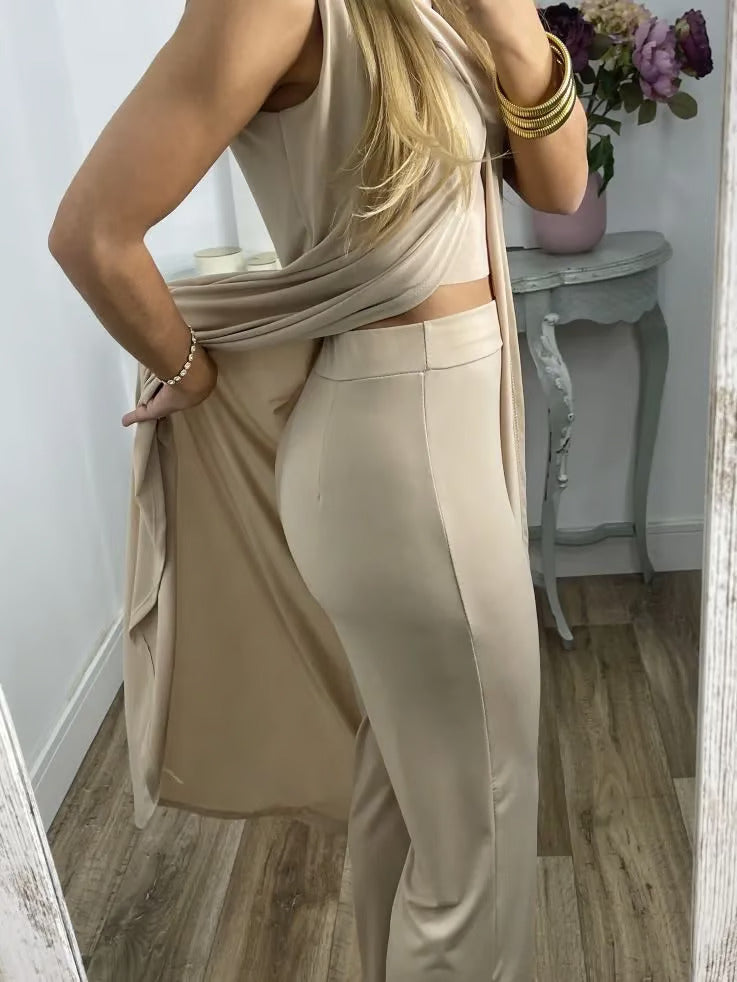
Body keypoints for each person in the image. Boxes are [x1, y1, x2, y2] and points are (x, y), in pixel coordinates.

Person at [48, 1, 588, 979]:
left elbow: (558, 191)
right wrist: (191, 373)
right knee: (476, 851)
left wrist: (512, 32)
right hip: (403, 450)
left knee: (414, 798)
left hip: (434, 440)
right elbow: (92, 233)